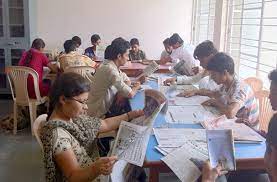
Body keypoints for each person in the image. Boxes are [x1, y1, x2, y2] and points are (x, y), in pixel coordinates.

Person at [40, 72, 144, 182]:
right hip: (89, 175)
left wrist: (130, 115)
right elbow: (73, 176)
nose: (85, 107)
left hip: (91, 166)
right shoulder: (59, 135)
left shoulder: (71, 117)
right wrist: (96, 168)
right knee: (137, 172)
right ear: (63, 100)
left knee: (136, 170)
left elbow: (105, 124)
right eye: (82, 102)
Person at [194, 52, 259, 128]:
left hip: (248, 130)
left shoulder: (240, 87)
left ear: (225, 73)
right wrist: (195, 91)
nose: (211, 77)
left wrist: (215, 103)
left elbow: (230, 113)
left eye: (214, 74)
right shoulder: (226, 84)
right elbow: (214, 93)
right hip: (235, 124)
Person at [88, 38, 142, 118]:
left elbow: (126, 80)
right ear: (119, 56)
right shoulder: (109, 69)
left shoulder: (112, 65)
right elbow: (130, 94)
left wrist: (120, 93)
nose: (128, 58)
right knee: (134, 113)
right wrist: (136, 86)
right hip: (97, 114)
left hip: (106, 108)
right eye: (127, 55)